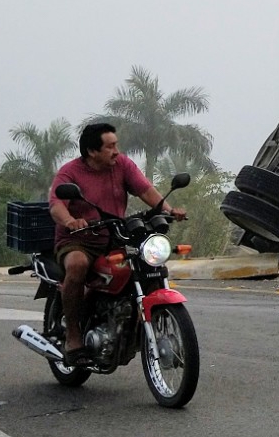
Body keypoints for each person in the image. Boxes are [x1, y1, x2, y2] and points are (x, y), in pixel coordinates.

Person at [48, 121, 184, 363]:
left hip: (114, 236)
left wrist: (168, 209)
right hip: (78, 240)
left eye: (116, 145)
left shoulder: (122, 165)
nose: (116, 151)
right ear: (92, 151)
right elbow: (57, 205)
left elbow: (145, 190)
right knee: (78, 264)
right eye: (110, 147)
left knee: (143, 264)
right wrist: (70, 221)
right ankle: (73, 334)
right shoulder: (70, 172)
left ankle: (126, 321)